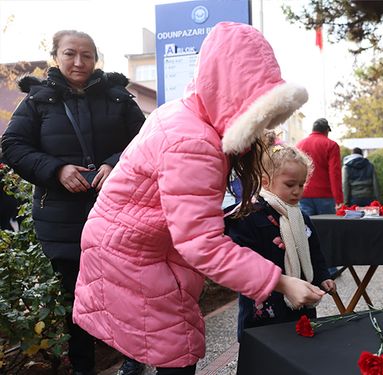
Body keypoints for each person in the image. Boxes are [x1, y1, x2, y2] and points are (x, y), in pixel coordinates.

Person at [72, 22, 323, 375]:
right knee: (179, 353)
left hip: (133, 247)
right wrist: (281, 283)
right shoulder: (195, 142)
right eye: (261, 113)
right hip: (134, 256)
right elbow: (201, 243)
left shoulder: (182, 114)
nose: (262, 128)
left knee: (175, 346)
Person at [0, 30, 145, 375]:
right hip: (62, 221)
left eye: (87, 55)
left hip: (116, 214)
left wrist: (115, 163)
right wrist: (57, 169)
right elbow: (12, 146)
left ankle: (132, 356)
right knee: (76, 297)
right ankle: (83, 366)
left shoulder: (119, 98)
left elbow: (147, 141)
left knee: (123, 288)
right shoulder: (37, 100)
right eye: (70, 54)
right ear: (56, 57)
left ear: (96, 59)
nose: (78, 62)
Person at [225, 144, 336, 339]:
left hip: (300, 303)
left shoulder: (301, 217)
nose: (297, 191)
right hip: (264, 307)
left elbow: (314, 251)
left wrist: (322, 276)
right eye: (290, 184)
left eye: (301, 185)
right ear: (266, 182)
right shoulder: (249, 215)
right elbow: (240, 257)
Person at [296, 118, 343, 216]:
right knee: (327, 229)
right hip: (325, 195)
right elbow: (335, 173)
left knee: (306, 229)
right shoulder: (331, 145)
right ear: (326, 130)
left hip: (303, 194)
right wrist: (339, 199)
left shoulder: (299, 145)